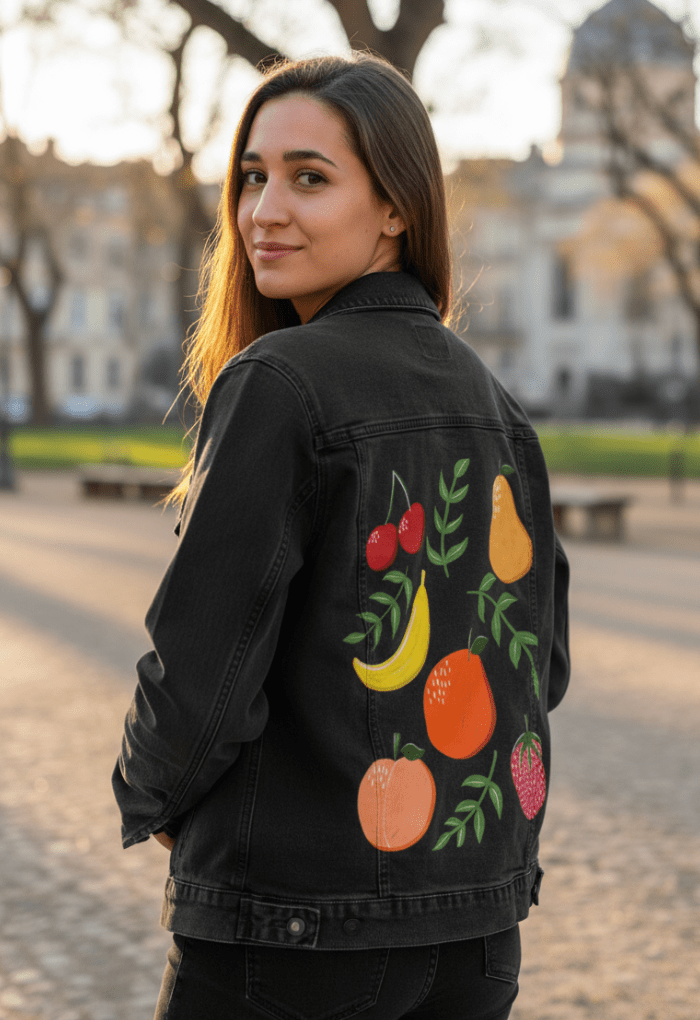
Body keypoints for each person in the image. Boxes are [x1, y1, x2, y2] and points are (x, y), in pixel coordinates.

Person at [112, 49, 570, 1020]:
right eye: (252, 176)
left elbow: (202, 664)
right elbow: (542, 666)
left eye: (308, 178)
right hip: (476, 934)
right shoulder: (497, 407)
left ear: (396, 207)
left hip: (293, 929)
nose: (263, 211)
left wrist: (153, 798)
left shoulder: (279, 382)